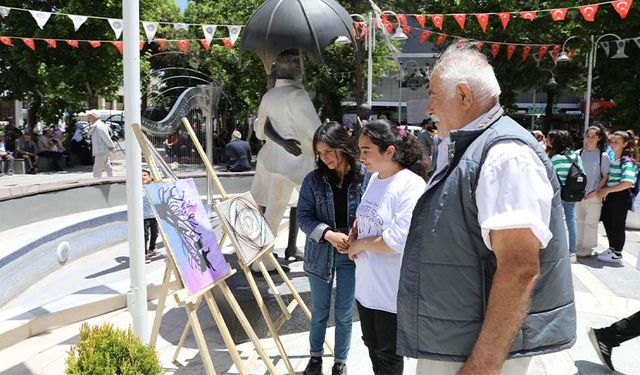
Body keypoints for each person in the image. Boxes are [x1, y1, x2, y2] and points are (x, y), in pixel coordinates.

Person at [397, 45, 575, 375]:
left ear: (464, 96)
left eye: (434, 95)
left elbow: (519, 268)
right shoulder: (475, 148)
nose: (430, 107)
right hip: (457, 338)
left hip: (475, 354)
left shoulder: (505, 155)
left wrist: (483, 365)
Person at [345, 120, 427, 375]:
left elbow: (397, 240)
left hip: (391, 292)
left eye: (367, 150)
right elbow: (369, 213)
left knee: (388, 356)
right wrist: (356, 230)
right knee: (372, 346)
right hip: (367, 286)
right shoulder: (373, 179)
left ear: (389, 151)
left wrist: (360, 244)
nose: (361, 157)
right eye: (360, 150)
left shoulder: (410, 185)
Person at [297, 122, 368, 375]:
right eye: (320, 153)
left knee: (344, 313)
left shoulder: (364, 177)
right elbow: (303, 217)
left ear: (343, 147)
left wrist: (356, 235)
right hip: (320, 255)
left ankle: (340, 362)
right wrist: (328, 234)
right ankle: (315, 359)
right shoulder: (313, 180)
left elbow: (373, 213)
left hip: (352, 253)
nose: (324, 158)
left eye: (329, 151)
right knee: (318, 312)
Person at [250, 51, 321, 259]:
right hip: (300, 162)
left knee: (274, 209)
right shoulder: (299, 95)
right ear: (294, 67)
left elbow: (260, 129)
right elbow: (315, 131)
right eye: (299, 63)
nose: (301, 68)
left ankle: (263, 259)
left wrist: (280, 141)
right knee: (315, 208)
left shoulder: (269, 96)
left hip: (275, 162)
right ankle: (318, 254)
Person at [596, 130, 638, 264]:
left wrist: (608, 190)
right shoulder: (615, 159)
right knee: (609, 222)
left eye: (616, 142)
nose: (612, 144)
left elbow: (627, 182)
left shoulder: (627, 162)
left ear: (625, 144)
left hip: (620, 196)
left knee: (617, 224)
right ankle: (612, 248)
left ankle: (617, 252)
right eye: (611, 141)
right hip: (612, 195)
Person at [547, 130, 584, 263]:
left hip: (557, 193)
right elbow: (582, 172)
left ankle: (554, 249)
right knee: (571, 220)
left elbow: (549, 177)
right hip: (572, 193)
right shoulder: (576, 156)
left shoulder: (555, 158)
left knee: (554, 221)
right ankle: (572, 252)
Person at [576, 126, 610, 258]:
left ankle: (588, 247)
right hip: (579, 195)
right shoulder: (579, 153)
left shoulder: (603, 155)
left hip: (594, 195)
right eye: (588, 136)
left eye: (593, 137)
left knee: (591, 222)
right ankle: (579, 244)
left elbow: (605, 176)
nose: (590, 139)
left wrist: (595, 192)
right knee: (580, 220)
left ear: (599, 138)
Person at [87, 109, 115, 178]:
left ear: (94, 116)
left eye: (90, 115)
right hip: (102, 149)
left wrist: (112, 146)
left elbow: (106, 137)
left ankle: (96, 180)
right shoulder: (97, 125)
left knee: (97, 167)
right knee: (106, 165)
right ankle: (112, 177)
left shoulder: (99, 126)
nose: (88, 117)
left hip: (101, 150)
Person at [142, 168, 159, 263]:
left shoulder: (153, 186)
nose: (142, 177)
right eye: (141, 175)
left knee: (155, 233)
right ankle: (143, 254)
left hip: (154, 215)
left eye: (145, 175)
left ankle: (152, 248)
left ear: (150, 177)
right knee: (145, 235)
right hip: (143, 216)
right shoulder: (138, 187)